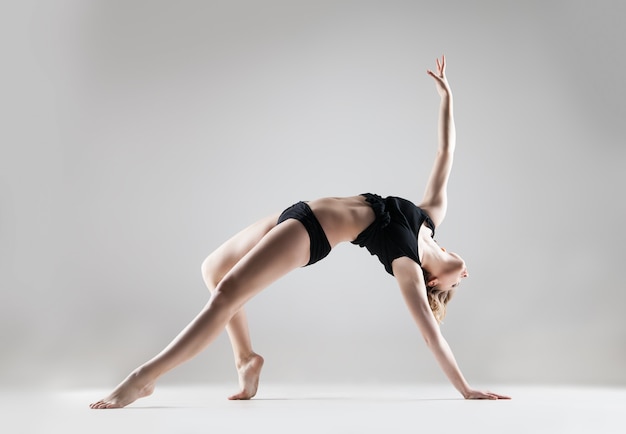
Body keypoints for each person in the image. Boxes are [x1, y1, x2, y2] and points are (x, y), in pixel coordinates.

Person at [90, 56, 509, 409]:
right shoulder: (428, 217)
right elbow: (445, 154)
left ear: (436, 282)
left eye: (458, 284)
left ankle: (144, 377)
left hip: (312, 234)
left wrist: (466, 388)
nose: (466, 274)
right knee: (213, 269)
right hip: (298, 211)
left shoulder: (408, 267)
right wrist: (447, 99)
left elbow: (431, 336)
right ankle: (245, 360)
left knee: (227, 293)